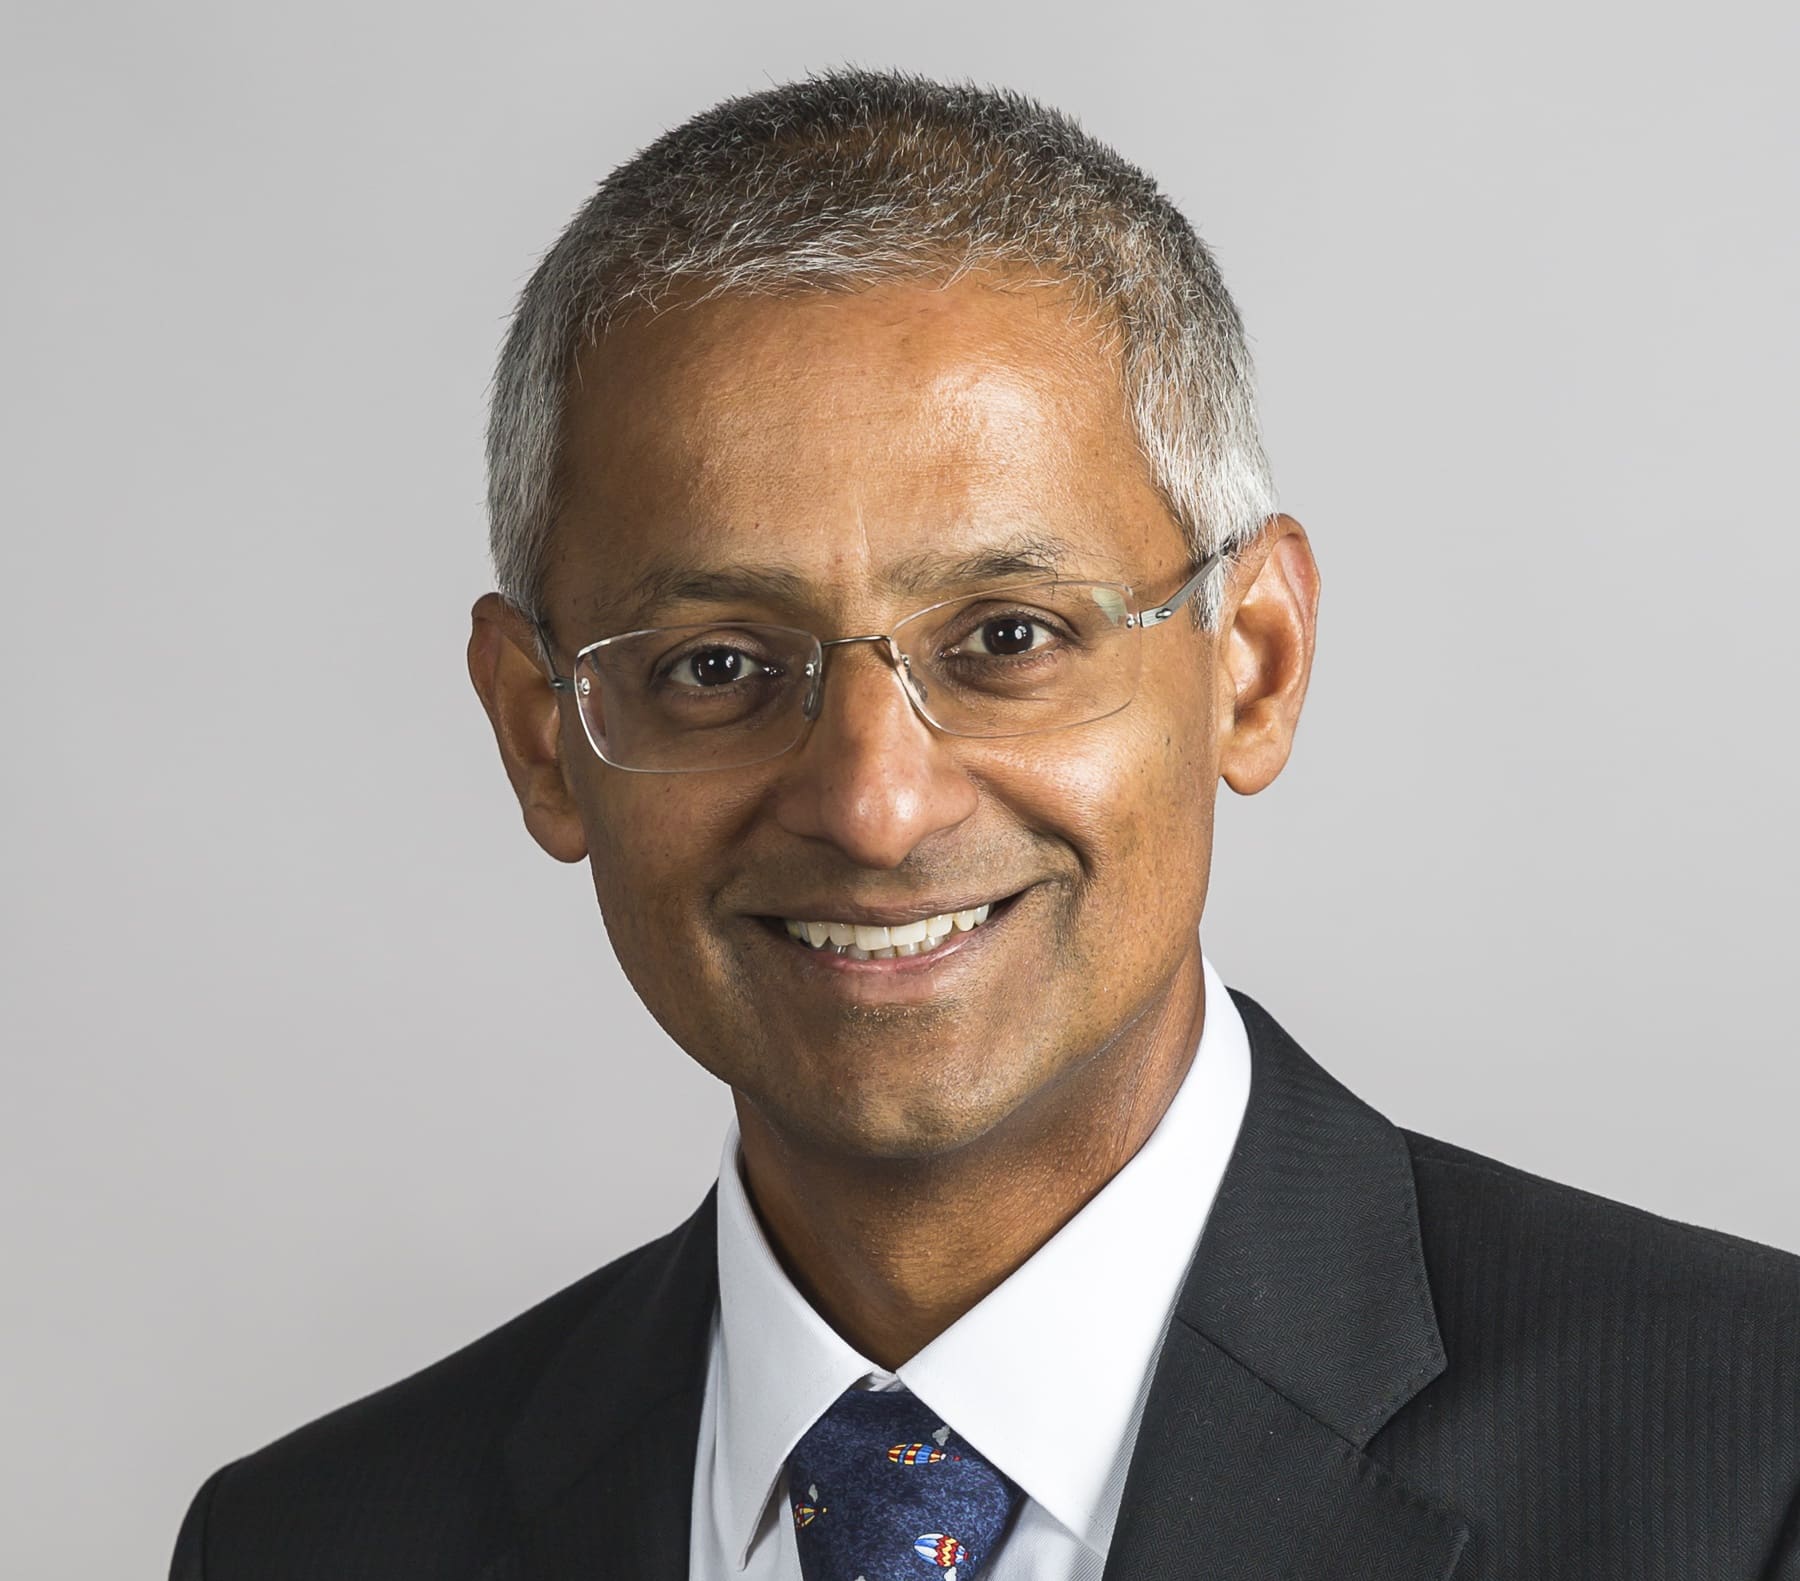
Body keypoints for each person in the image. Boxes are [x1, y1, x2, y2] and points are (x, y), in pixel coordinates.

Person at [170, 68, 1799, 1581]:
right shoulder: (308, 1540)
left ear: (1255, 664)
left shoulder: (1748, 1462)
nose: (875, 806)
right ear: (543, 735)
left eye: (1009, 636)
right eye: (719, 664)